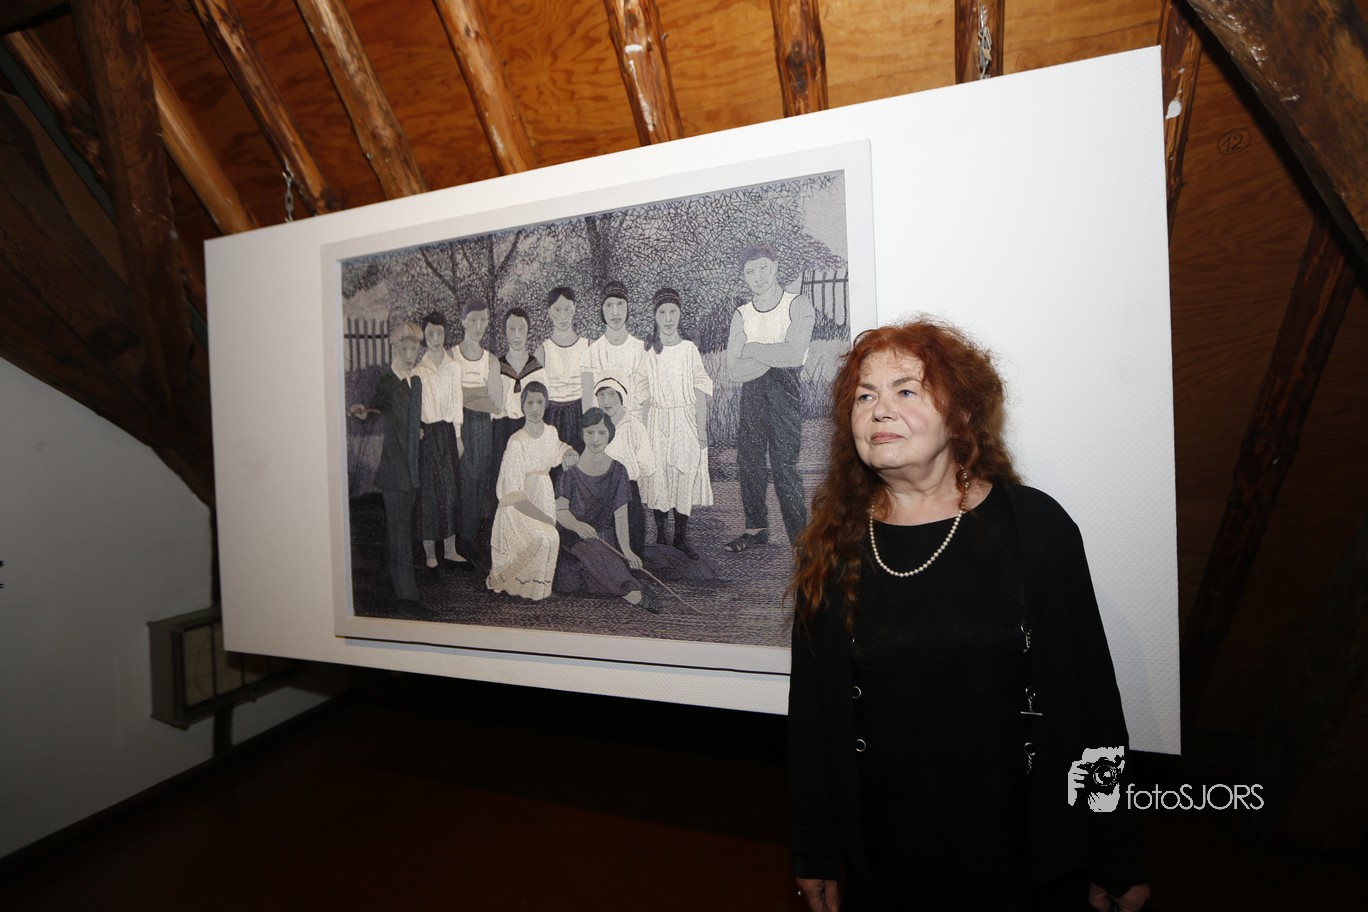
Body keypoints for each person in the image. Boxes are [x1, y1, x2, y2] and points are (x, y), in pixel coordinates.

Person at [787, 318, 1150, 912]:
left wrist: (1117, 848)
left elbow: (1092, 701)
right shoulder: (831, 546)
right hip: (886, 863)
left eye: (906, 390)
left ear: (959, 413)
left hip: (1023, 857)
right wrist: (814, 846)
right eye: (865, 397)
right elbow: (813, 714)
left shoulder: (1035, 527)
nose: (880, 410)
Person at [724, 244, 814, 552]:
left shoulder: (797, 304)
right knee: (749, 460)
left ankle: (800, 539)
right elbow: (734, 369)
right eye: (750, 272)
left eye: (763, 268)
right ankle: (756, 529)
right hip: (751, 393)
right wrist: (774, 353)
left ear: (775, 267)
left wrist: (753, 349)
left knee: (783, 464)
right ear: (744, 276)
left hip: (784, 391)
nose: (758, 276)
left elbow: (795, 354)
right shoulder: (742, 314)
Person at [347, 320, 425, 609]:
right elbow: (373, 407)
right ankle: (408, 596)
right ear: (395, 349)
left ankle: (381, 584)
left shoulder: (416, 383)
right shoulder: (387, 382)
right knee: (401, 535)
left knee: (397, 530)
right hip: (393, 470)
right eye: (405, 349)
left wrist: (417, 430)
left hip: (411, 468)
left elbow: (411, 418)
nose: (410, 354)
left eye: (414, 349)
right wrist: (361, 412)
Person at [553, 408, 659, 614]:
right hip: (572, 534)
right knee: (590, 554)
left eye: (601, 432)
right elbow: (560, 511)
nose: (596, 439)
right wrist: (577, 525)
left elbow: (620, 515)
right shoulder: (570, 471)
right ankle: (633, 593)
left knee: (602, 561)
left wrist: (627, 550)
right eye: (590, 432)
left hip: (603, 535)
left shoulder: (618, 470)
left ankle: (618, 584)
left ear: (610, 434)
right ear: (582, 433)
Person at [634, 287, 713, 560]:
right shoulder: (650, 353)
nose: (668, 319)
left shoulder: (689, 350)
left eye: (673, 312)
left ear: (680, 314)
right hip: (658, 421)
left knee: (683, 476)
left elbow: (701, 389)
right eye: (662, 313)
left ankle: (680, 538)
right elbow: (642, 391)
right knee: (659, 476)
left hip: (684, 421)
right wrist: (644, 432)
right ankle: (661, 536)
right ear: (655, 316)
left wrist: (701, 429)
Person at [486, 382, 570, 601]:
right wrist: (544, 518)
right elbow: (512, 494)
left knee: (552, 537)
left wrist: (569, 452)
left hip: (543, 496)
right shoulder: (517, 442)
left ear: (546, 404)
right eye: (530, 403)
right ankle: (514, 584)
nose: (535, 408)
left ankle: (537, 590)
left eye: (539, 402)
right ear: (522, 406)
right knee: (545, 536)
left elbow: (558, 449)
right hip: (518, 509)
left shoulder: (550, 432)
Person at [412, 311, 470, 571]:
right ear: (424, 337)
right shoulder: (418, 371)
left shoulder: (453, 367)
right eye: (430, 334)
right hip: (427, 436)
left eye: (439, 333)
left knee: (450, 490)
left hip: (447, 434)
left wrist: (458, 436)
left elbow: (457, 402)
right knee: (428, 493)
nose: (435, 338)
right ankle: (430, 553)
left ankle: (450, 550)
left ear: (445, 334)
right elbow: (414, 408)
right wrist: (417, 431)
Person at [455, 299, 503, 562]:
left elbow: (496, 403)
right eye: (473, 320)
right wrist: (477, 394)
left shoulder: (491, 360)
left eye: (483, 320)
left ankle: (468, 538)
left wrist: (467, 395)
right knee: (459, 482)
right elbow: (450, 397)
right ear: (463, 321)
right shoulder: (452, 356)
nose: (478, 326)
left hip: (483, 426)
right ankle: (452, 539)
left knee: (478, 482)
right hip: (457, 424)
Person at [594, 373, 655, 559]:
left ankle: (633, 559)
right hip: (601, 487)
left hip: (628, 488)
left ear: (621, 397)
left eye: (612, 394)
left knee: (632, 530)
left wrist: (628, 475)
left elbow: (647, 464)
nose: (606, 401)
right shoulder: (595, 425)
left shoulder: (634, 426)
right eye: (601, 395)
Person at [493, 306, 546, 483]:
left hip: (528, 427)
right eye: (512, 329)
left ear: (528, 331)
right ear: (505, 332)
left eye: (521, 329)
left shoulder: (536, 368)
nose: (517, 335)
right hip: (502, 430)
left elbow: (543, 404)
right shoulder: (497, 367)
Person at [533, 286, 590, 451]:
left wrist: (587, 426)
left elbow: (588, 393)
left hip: (580, 415)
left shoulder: (587, 346)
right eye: (557, 310)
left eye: (567, 309)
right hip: (552, 416)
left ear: (574, 308)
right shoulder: (542, 351)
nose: (563, 316)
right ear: (549, 312)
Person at [585, 281, 645, 419]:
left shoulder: (642, 351)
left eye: (620, 304)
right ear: (602, 309)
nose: (615, 312)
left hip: (635, 424)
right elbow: (588, 403)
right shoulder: (591, 353)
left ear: (628, 307)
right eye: (609, 305)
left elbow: (646, 401)